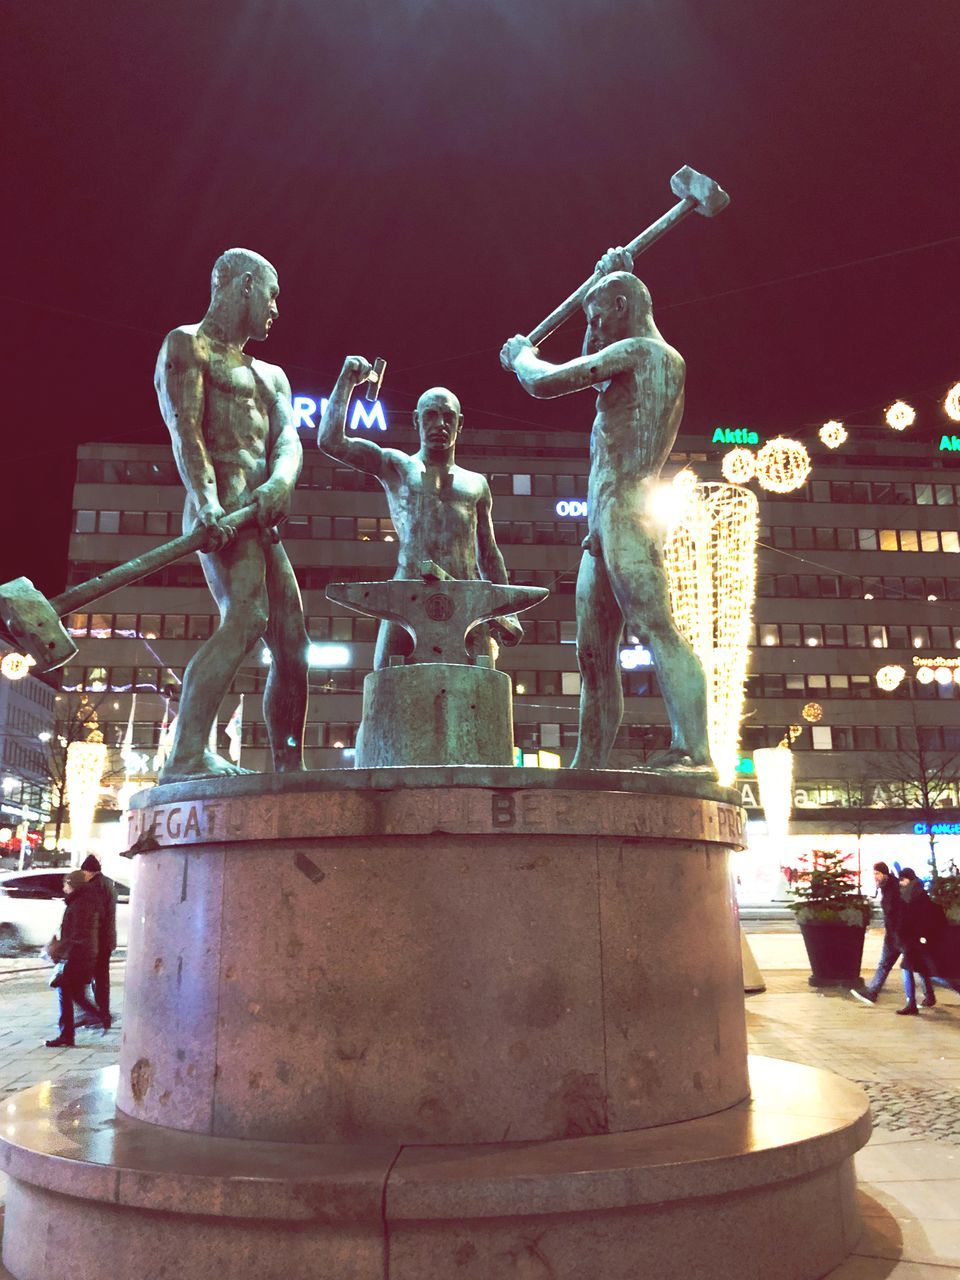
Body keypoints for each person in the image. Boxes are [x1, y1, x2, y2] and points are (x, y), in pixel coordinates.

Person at [500, 250, 711, 771]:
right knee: (592, 654)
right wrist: (600, 282)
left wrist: (522, 355)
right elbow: (594, 372)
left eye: (598, 317)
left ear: (623, 305)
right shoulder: (626, 362)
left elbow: (547, 382)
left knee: (656, 626)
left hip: (626, 509)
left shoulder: (647, 354)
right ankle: (586, 765)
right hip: (601, 522)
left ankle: (694, 751)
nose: (591, 329)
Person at [154, 248, 309, 782]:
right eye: (272, 294)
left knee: (293, 644)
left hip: (259, 517)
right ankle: (186, 754)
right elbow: (186, 430)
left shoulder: (271, 375)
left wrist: (281, 483)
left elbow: (288, 438)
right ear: (244, 285)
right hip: (218, 510)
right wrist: (208, 502)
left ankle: (289, 764)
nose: (275, 309)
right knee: (247, 618)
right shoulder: (186, 345)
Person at [319, 360, 520, 667]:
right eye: (431, 415)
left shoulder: (476, 483)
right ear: (415, 420)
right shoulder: (397, 466)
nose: (440, 423)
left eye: (448, 416)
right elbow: (331, 442)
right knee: (386, 683)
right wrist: (347, 381)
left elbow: (489, 554)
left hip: (465, 597)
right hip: (407, 593)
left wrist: (506, 611)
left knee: (481, 689)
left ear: (460, 423)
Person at [45, 870, 103, 1047]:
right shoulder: (84, 901)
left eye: (66, 884)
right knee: (76, 993)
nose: (63, 888)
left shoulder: (78, 905)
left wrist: (61, 950)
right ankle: (96, 1017)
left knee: (64, 990)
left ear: (72, 885)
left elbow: (77, 934)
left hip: (77, 956)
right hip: (83, 954)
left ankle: (68, 1034)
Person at [850, 861, 901, 1004]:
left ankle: (872, 992)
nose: (875, 877)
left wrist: (894, 931)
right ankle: (872, 991)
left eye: (877, 873)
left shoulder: (894, 888)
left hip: (898, 933)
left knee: (889, 964)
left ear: (885, 874)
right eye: (874, 874)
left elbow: (895, 912)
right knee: (915, 966)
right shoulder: (887, 887)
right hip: (895, 933)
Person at [895, 867, 942, 1015]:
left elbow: (911, 917)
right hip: (918, 938)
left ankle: (911, 1003)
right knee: (922, 968)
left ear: (908, 879)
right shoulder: (919, 891)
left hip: (914, 939)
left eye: (902, 880)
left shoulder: (912, 894)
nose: (900, 883)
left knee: (908, 968)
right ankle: (928, 996)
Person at [79, 854, 116, 1029]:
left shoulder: (95, 887)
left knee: (97, 979)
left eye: (84, 872)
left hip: (98, 940)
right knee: (100, 978)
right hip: (105, 939)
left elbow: (97, 915)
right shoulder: (108, 883)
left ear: (89, 871)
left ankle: (101, 1015)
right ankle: (100, 1014)